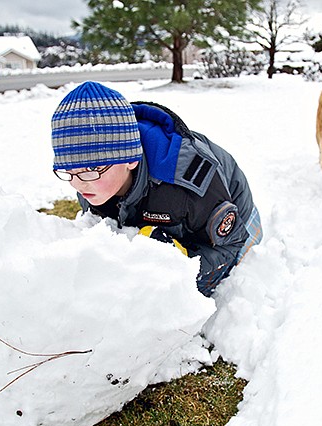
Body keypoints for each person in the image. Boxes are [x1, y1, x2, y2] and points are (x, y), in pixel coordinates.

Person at [51, 81, 262, 296]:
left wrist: (183, 262)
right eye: (68, 170)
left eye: (92, 169)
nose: (78, 183)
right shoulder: (93, 180)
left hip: (230, 227)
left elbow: (231, 244)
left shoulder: (188, 182)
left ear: (129, 159)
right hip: (163, 218)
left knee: (192, 293)